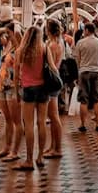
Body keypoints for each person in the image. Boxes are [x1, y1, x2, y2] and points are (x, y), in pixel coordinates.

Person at [14, 25, 56, 170]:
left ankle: (29, 160)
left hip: (28, 89)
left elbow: (16, 74)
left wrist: (16, 92)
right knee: (42, 123)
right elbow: (53, 68)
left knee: (29, 125)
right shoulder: (44, 48)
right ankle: (40, 157)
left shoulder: (21, 50)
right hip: (43, 88)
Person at [0, 27, 23, 160]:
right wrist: (6, 27)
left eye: (6, 35)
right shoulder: (5, 49)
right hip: (2, 85)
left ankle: (15, 151)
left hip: (13, 86)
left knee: (17, 120)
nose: (2, 38)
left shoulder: (19, 49)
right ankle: (7, 147)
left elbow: (19, 44)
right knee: (7, 120)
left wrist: (12, 32)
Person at [74, 22, 98, 132]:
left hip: (84, 71)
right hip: (96, 72)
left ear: (87, 30)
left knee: (84, 100)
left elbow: (77, 59)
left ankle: (83, 124)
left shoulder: (80, 43)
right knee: (97, 99)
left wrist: (79, 70)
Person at [43, 19, 64, 159]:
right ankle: (53, 145)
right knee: (52, 115)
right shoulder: (58, 42)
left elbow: (51, 64)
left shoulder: (52, 45)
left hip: (51, 79)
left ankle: (58, 148)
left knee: (54, 115)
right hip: (54, 78)